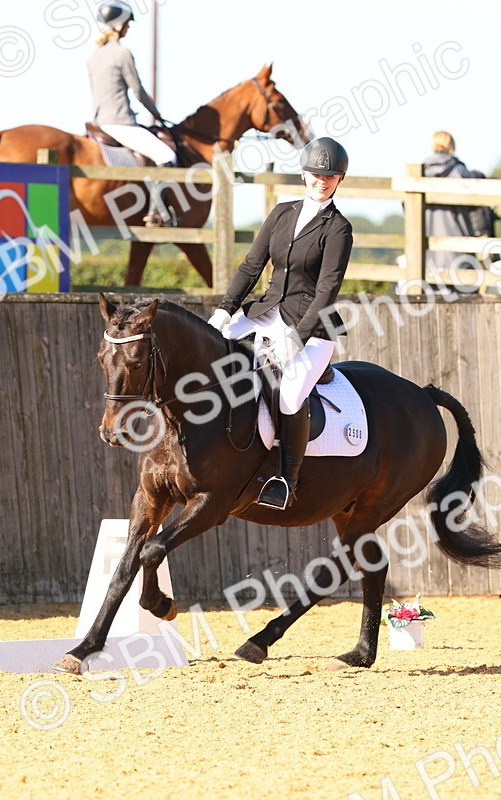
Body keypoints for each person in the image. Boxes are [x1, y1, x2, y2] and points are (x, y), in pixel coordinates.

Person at [206, 137, 353, 510]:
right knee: (210, 345)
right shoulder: (282, 213)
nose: (322, 180)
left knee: (289, 396)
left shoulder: (338, 228)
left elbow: (327, 290)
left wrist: (298, 338)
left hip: (313, 328)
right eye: (317, 173)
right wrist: (226, 310)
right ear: (304, 174)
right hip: (267, 312)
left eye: (331, 175)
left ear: (339, 180)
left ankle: (286, 479)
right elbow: (252, 266)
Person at [87, 0, 176, 225]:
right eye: (126, 24)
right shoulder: (122, 53)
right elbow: (138, 92)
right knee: (166, 156)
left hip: (98, 122)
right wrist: (157, 114)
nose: (128, 28)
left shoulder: (93, 55)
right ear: (118, 26)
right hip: (119, 123)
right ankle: (157, 212)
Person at [421, 131, 491, 285]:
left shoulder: (422, 172)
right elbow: (476, 205)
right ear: (452, 146)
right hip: (459, 253)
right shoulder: (459, 172)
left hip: (427, 257)